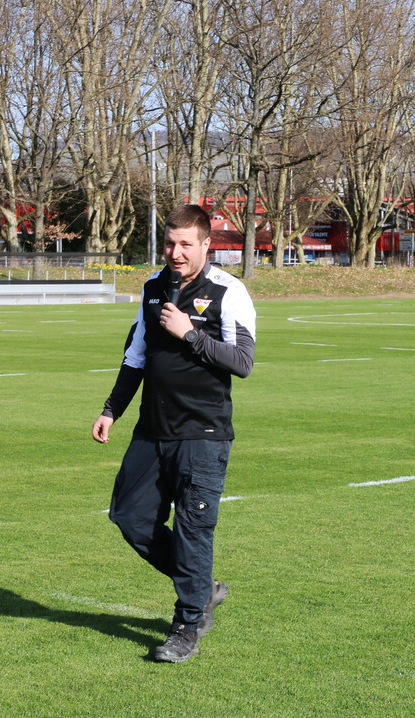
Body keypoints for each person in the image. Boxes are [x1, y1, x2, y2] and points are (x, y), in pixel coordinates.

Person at [92, 203, 256, 663]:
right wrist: (111, 410)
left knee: (192, 531)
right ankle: (202, 588)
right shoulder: (151, 287)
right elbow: (135, 358)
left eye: (186, 244)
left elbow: (242, 362)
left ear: (207, 244)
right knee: (128, 517)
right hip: (151, 431)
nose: (176, 252)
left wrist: (190, 335)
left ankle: (186, 626)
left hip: (202, 435)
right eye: (170, 243)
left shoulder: (228, 291)